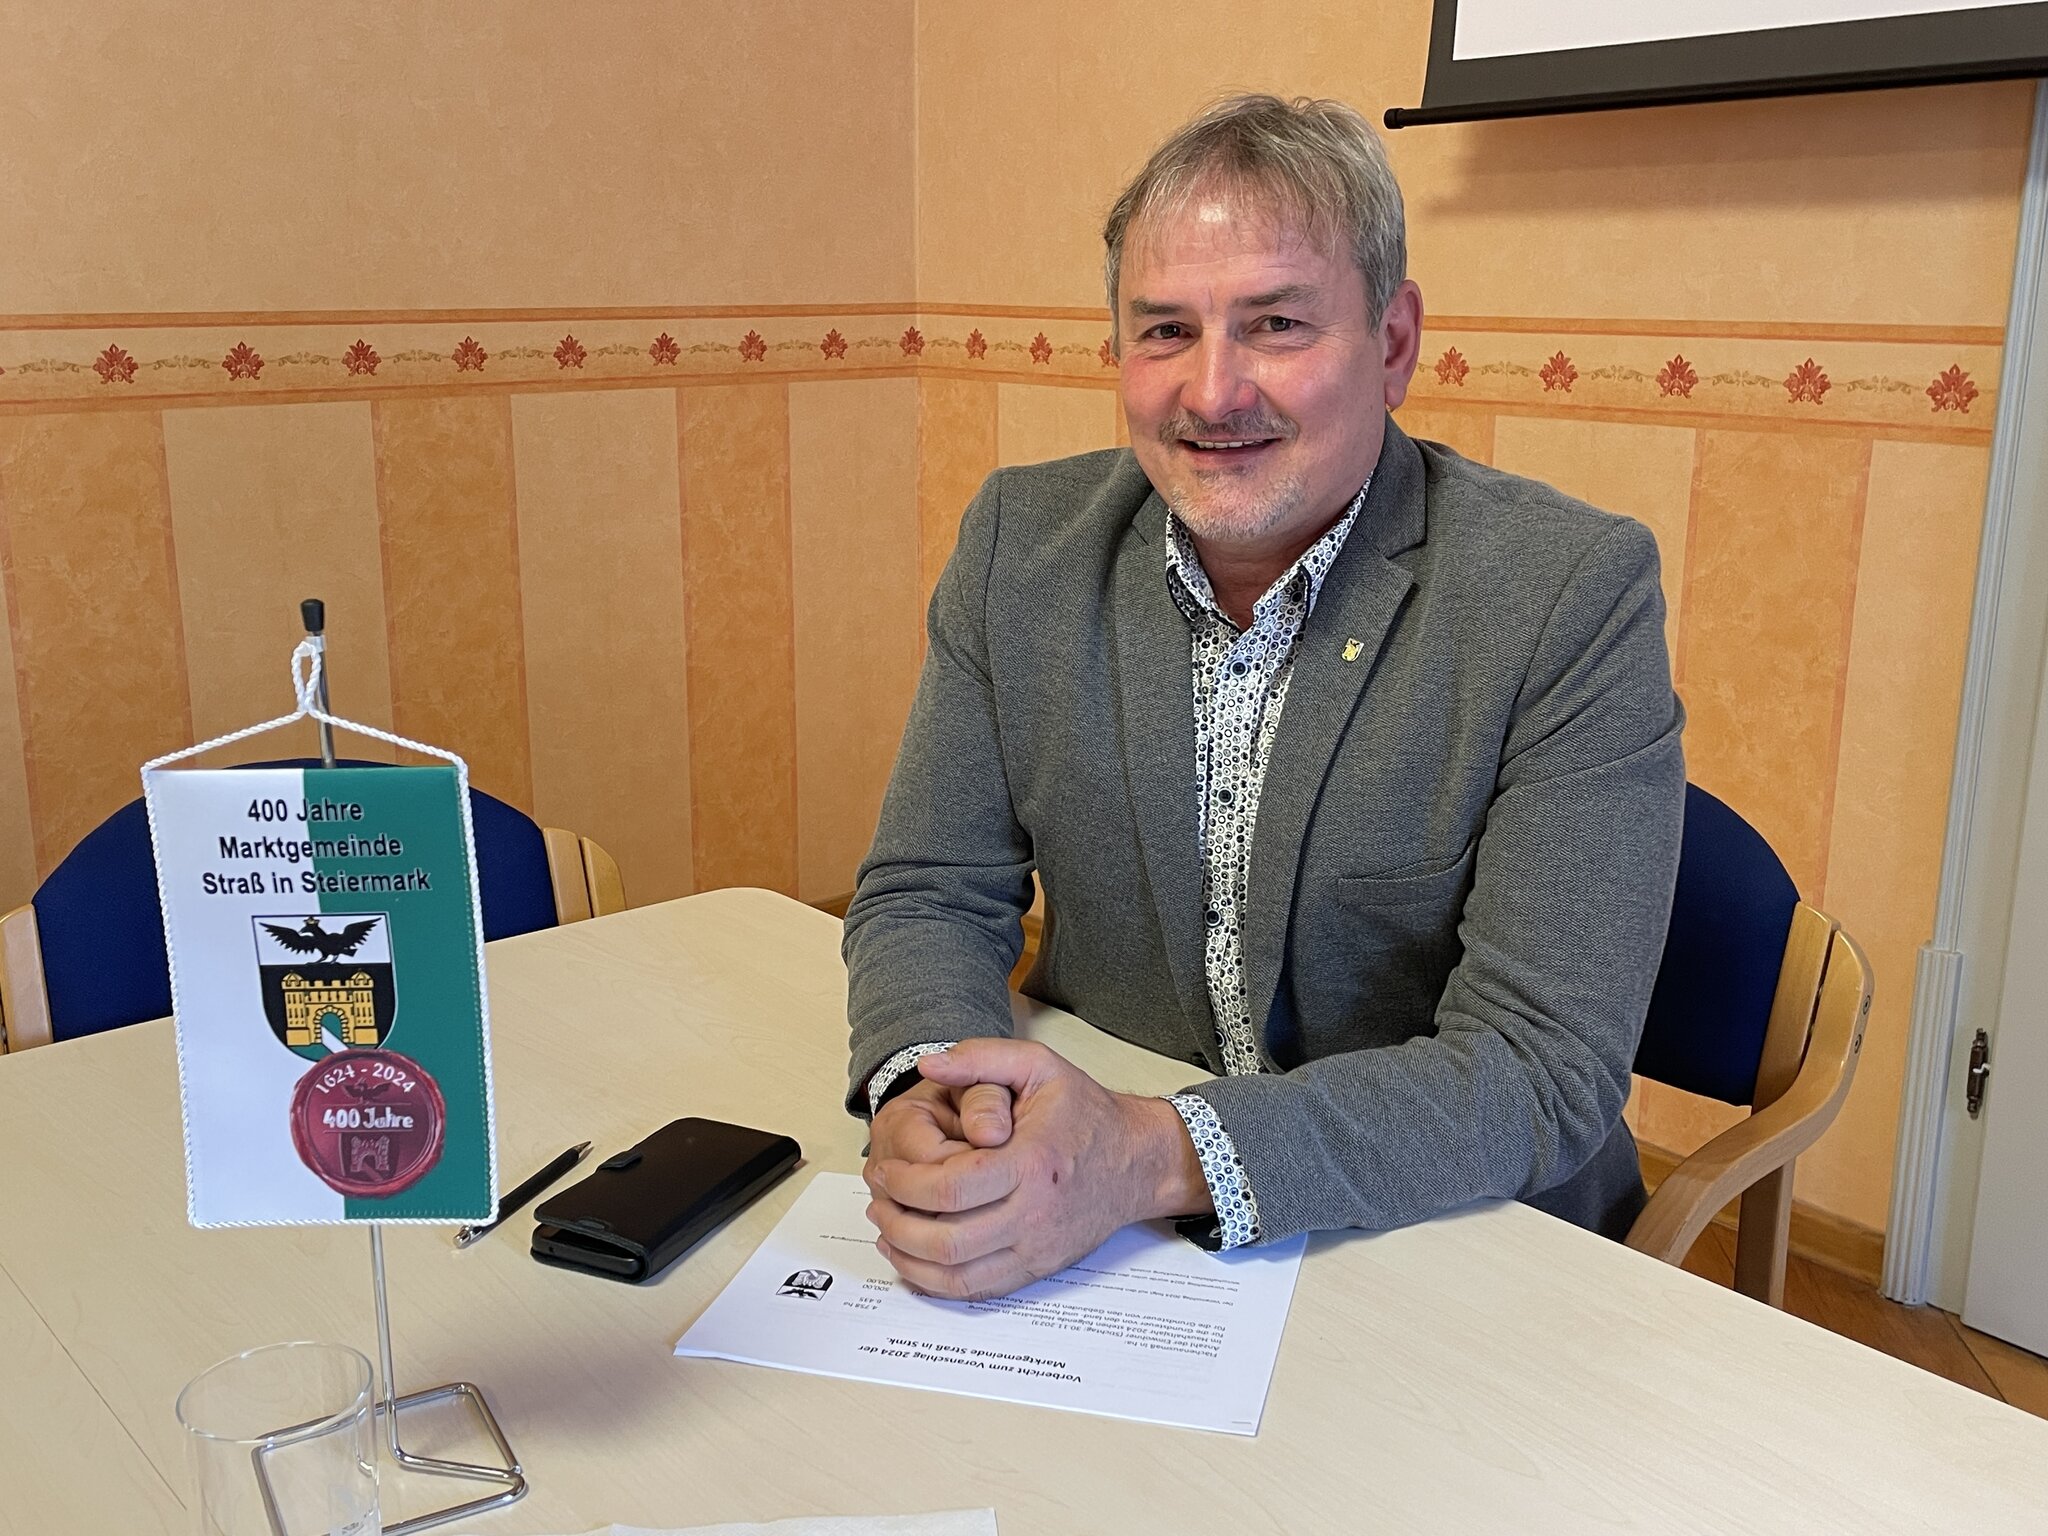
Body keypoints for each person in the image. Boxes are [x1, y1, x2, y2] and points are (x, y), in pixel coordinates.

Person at [843, 94, 1685, 1301]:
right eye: (1164, 331)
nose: (1212, 392)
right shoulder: (1018, 549)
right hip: (1115, 1251)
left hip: (1446, 1246)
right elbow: (929, 889)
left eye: (1275, 325)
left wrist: (1149, 1153)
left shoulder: (1565, 593)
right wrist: (936, 1093)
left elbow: (1535, 1067)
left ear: (1392, 342)